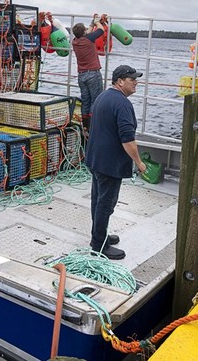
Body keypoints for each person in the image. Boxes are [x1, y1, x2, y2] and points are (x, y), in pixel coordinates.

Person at [84, 65, 148, 260]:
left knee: (97, 200)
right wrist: (139, 162)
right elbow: (127, 140)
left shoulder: (103, 97)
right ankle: (99, 246)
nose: (136, 82)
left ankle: (99, 235)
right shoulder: (123, 104)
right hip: (109, 164)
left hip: (95, 159)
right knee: (106, 204)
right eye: (132, 79)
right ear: (120, 81)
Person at [71, 20, 107, 131]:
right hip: (92, 74)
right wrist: (97, 22)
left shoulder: (74, 41)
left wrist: (92, 24)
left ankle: (85, 127)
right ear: (84, 33)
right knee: (95, 100)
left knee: (86, 101)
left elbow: (87, 33)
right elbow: (101, 30)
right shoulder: (88, 39)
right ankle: (93, 127)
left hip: (81, 76)